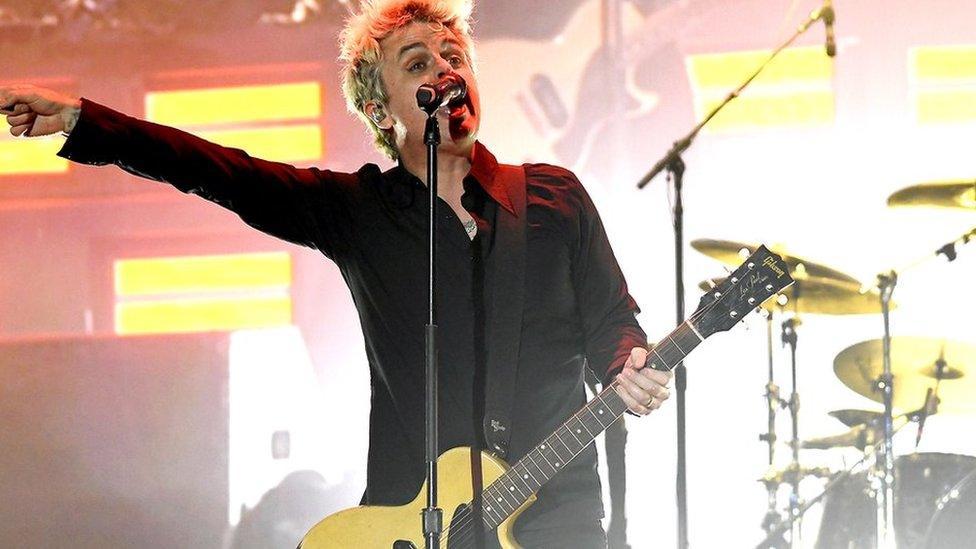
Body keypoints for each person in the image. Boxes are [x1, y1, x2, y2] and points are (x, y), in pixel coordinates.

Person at [1, 0, 671, 547]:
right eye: (418, 63)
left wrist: (627, 365)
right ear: (381, 110)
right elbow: (219, 170)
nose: (445, 69)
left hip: (558, 514)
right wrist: (87, 124)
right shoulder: (359, 212)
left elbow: (614, 319)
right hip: (420, 522)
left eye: (454, 57)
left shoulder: (554, 198)